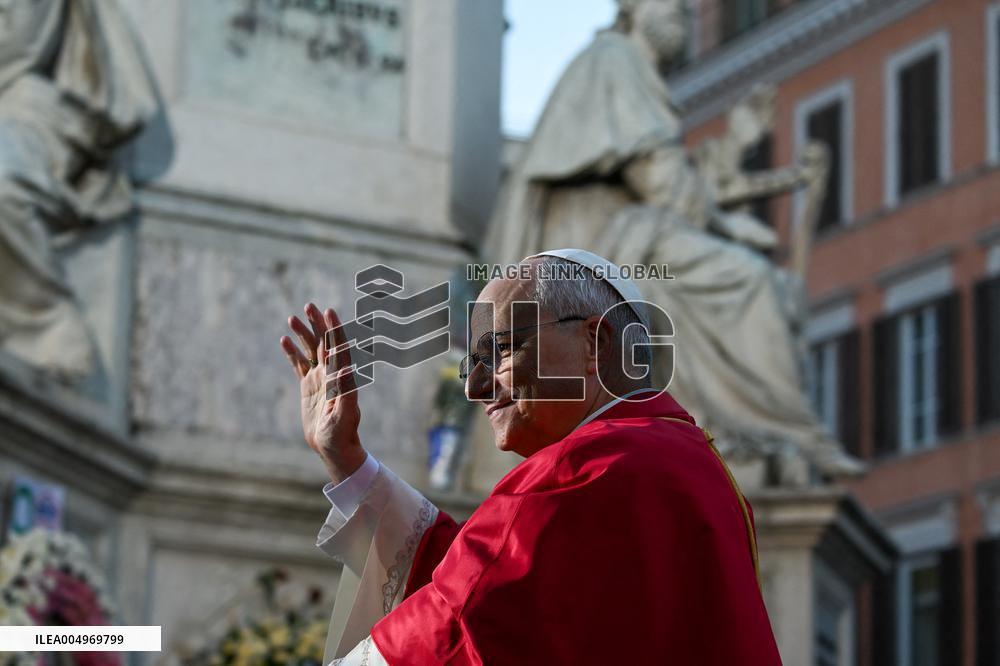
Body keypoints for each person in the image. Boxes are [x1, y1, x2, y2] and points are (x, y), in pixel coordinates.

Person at [279, 249, 782, 665]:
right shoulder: (682, 461)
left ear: (595, 341)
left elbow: (460, 623)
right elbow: (479, 583)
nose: (476, 388)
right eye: (472, 364)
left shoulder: (586, 470)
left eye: (499, 351)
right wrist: (347, 459)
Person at [483, 0, 861, 479]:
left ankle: (773, 432)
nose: (680, 14)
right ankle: (770, 431)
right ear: (632, 10)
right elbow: (662, 180)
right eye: (669, 4)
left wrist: (736, 148)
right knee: (750, 281)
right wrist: (725, 224)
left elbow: (676, 177)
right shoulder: (614, 60)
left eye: (684, 8)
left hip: (632, 237)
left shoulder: (634, 69)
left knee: (755, 279)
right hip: (601, 249)